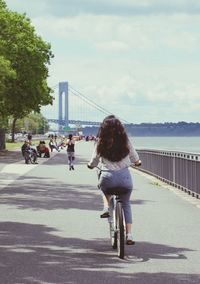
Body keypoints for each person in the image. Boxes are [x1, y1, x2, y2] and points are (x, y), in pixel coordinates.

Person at [87, 115, 141, 245]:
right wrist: (138, 162)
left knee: (105, 190)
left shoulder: (100, 141)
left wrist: (91, 165)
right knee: (126, 204)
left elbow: (94, 160)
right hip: (124, 178)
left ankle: (106, 207)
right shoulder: (125, 140)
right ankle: (129, 235)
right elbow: (135, 157)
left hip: (108, 178)